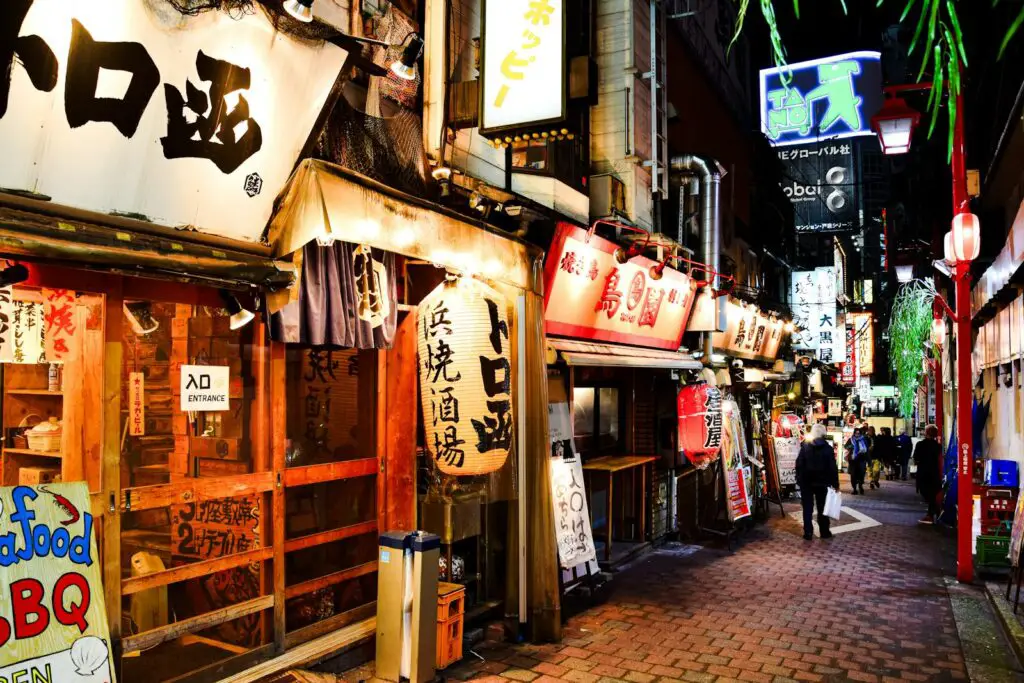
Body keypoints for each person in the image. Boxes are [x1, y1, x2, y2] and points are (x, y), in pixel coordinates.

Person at [797, 424, 840, 540]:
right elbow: (832, 468)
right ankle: (824, 531)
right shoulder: (828, 449)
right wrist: (835, 484)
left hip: (806, 482)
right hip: (822, 482)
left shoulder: (805, 446)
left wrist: (799, 479)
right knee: (822, 507)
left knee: (807, 507)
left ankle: (808, 532)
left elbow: (799, 464)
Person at [914, 424, 943, 524]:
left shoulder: (920, 445)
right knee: (932, 493)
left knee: (926, 493)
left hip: (923, 472)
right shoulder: (938, 446)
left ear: (926, 433)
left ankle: (931, 514)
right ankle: (934, 512)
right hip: (934, 472)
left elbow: (916, 459)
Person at [844, 427, 869, 494]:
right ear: (854, 433)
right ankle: (854, 489)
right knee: (853, 475)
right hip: (853, 460)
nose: (857, 434)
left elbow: (867, 451)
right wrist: (851, 447)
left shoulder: (864, 440)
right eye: (856, 433)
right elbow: (846, 446)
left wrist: (869, 461)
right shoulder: (851, 440)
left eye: (858, 433)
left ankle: (860, 486)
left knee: (861, 474)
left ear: (860, 433)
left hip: (861, 459)